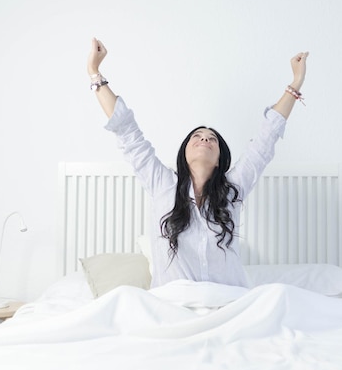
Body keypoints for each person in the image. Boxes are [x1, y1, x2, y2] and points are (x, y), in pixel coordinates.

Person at [87, 38, 308, 288]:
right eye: (197, 136)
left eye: (211, 138)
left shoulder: (234, 188)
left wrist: (295, 83)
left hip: (229, 305)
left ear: (220, 160)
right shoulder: (162, 183)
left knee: (281, 298)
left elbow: (265, 140)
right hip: (172, 306)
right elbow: (128, 132)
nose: (204, 138)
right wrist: (95, 72)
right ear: (184, 153)